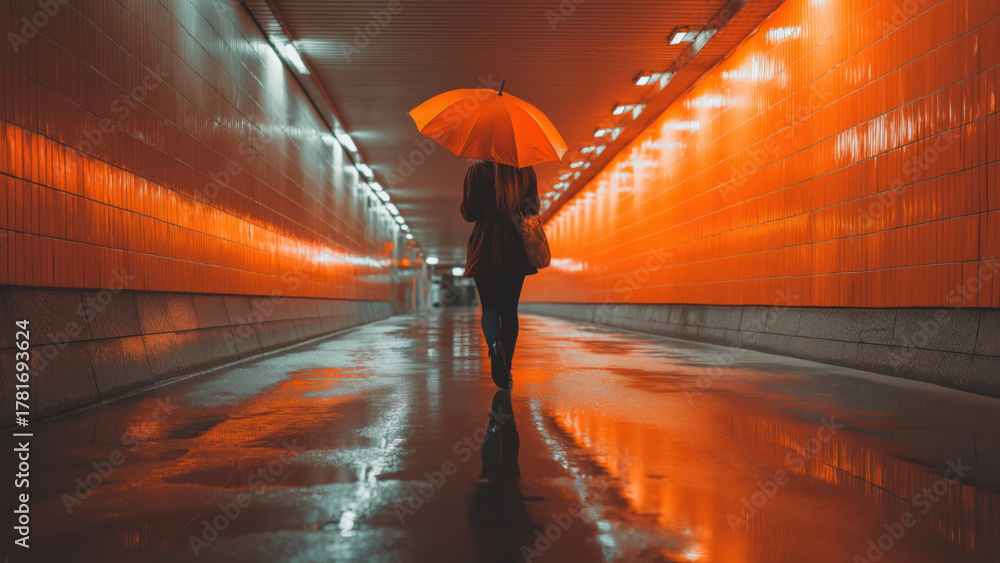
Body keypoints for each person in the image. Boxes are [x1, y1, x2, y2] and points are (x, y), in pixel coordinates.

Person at [461, 160, 540, 389]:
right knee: (509, 310)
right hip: (515, 245)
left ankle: (494, 345)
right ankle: (507, 365)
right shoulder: (525, 170)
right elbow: (532, 209)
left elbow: (469, 212)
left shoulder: (478, 170)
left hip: (485, 245)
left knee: (489, 308)